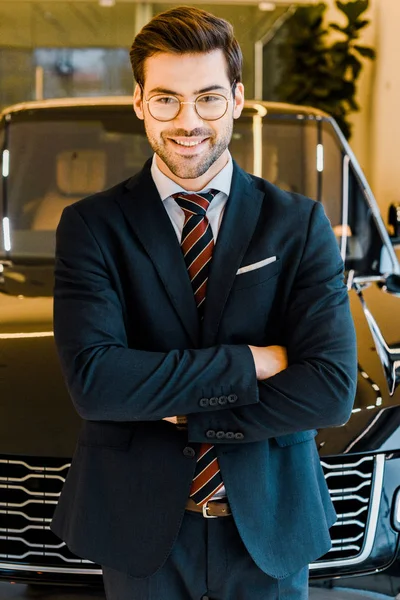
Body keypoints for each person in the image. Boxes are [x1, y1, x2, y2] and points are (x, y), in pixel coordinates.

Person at [50, 6, 357, 600]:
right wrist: (251, 363)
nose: (188, 121)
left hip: (270, 528)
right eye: (166, 99)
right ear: (139, 101)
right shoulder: (91, 227)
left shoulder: (297, 224)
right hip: (140, 533)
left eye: (209, 98)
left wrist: (186, 409)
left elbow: (331, 388)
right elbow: (96, 383)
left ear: (237, 100)